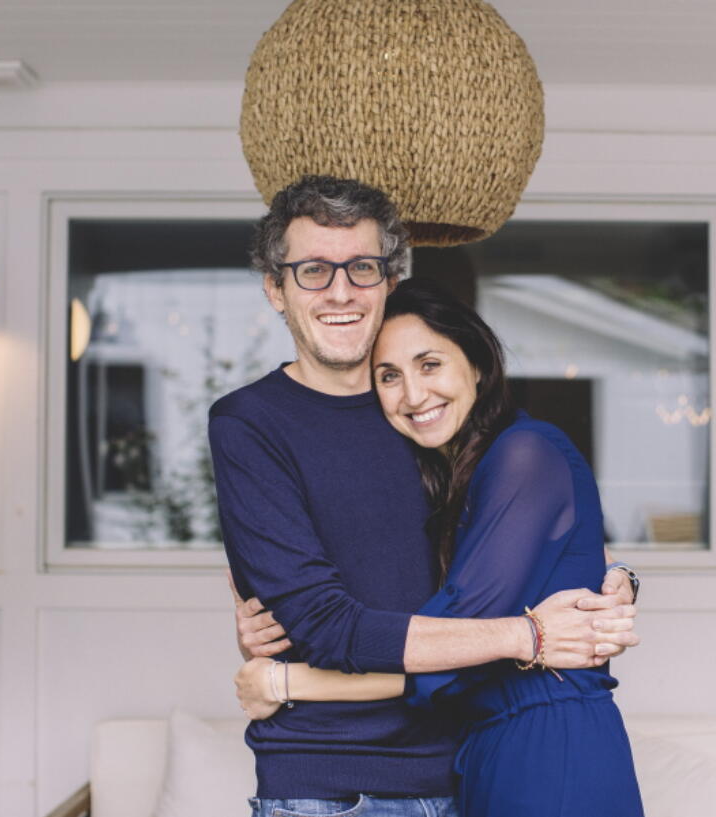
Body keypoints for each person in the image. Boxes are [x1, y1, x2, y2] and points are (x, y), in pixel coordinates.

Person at [208, 175, 640, 817]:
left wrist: (612, 581)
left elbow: (512, 563)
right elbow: (327, 623)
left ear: (389, 279)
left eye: (361, 267)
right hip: (336, 783)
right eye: (312, 271)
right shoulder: (250, 423)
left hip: (460, 766)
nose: (340, 291)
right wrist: (526, 635)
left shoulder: (436, 430)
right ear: (275, 288)